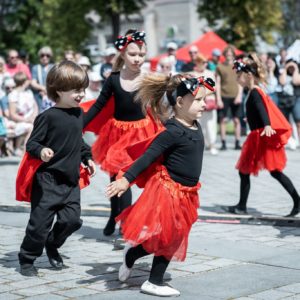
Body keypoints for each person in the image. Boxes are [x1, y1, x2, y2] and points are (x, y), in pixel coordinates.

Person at [106, 73, 215, 297]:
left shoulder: (195, 124)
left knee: (172, 235)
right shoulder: (172, 131)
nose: (204, 104)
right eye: (198, 100)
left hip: (188, 193)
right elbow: (147, 156)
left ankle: (132, 255)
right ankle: (153, 281)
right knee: (171, 236)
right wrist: (126, 179)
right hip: (169, 190)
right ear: (180, 102)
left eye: (205, 99)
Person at [18, 61, 96, 277]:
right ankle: (27, 258)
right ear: (59, 90)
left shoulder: (78, 114)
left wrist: (87, 158)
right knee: (39, 226)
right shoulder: (47, 117)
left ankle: (52, 245)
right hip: (47, 181)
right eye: (76, 90)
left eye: (83, 89)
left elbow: (78, 142)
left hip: (70, 182)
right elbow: (32, 144)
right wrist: (41, 150)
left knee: (72, 220)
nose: (81, 94)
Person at [83, 29, 160, 236]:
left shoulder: (148, 79)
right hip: (116, 134)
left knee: (124, 178)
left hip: (140, 135)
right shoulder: (113, 79)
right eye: (133, 54)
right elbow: (99, 106)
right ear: (123, 55)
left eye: (141, 55)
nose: (137, 59)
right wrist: (79, 124)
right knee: (114, 179)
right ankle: (113, 216)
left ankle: (126, 227)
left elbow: (161, 105)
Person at [223, 54, 300, 217]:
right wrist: (252, 119)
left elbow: (262, 109)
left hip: (260, 137)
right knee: (251, 172)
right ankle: (242, 205)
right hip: (258, 135)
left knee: (268, 171)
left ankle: (297, 201)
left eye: (239, 75)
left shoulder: (255, 92)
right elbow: (257, 110)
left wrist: (266, 124)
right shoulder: (254, 91)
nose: (237, 78)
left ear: (248, 75)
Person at [216, 45, 243, 150]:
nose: (229, 55)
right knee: (223, 120)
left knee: (237, 120)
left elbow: (240, 81)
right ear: (224, 55)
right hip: (224, 96)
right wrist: (218, 99)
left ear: (233, 55)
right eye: (227, 54)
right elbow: (217, 83)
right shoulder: (220, 66)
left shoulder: (238, 66)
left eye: (231, 54)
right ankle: (223, 143)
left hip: (236, 96)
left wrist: (239, 95)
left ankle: (237, 142)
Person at [193, 53, 218, 154]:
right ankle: (201, 144)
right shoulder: (193, 74)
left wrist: (204, 93)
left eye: (205, 62)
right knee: (198, 123)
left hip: (208, 101)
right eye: (203, 62)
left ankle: (212, 144)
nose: (205, 64)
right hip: (197, 102)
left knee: (210, 123)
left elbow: (214, 88)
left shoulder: (210, 73)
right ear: (197, 63)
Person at [8, 72, 38, 155]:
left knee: (35, 126)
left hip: (31, 120)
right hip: (19, 122)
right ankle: (25, 150)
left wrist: (33, 117)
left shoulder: (29, 92)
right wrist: (27, 120)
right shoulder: (13, 95)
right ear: (24, 82)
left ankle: (21, 148)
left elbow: (35, 106)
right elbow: (12, 114)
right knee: (30, 127)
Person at [31, 46, 54, 112]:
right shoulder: (35, 67)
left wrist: (48, 91)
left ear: (50, 57)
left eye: (47, 55)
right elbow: (33, 82)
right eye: (42, 55)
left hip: (51, 96)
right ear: (39, 57)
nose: (45, 57)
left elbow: (57, 82)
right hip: (39, 96)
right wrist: (43, 89)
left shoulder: (54, 67)